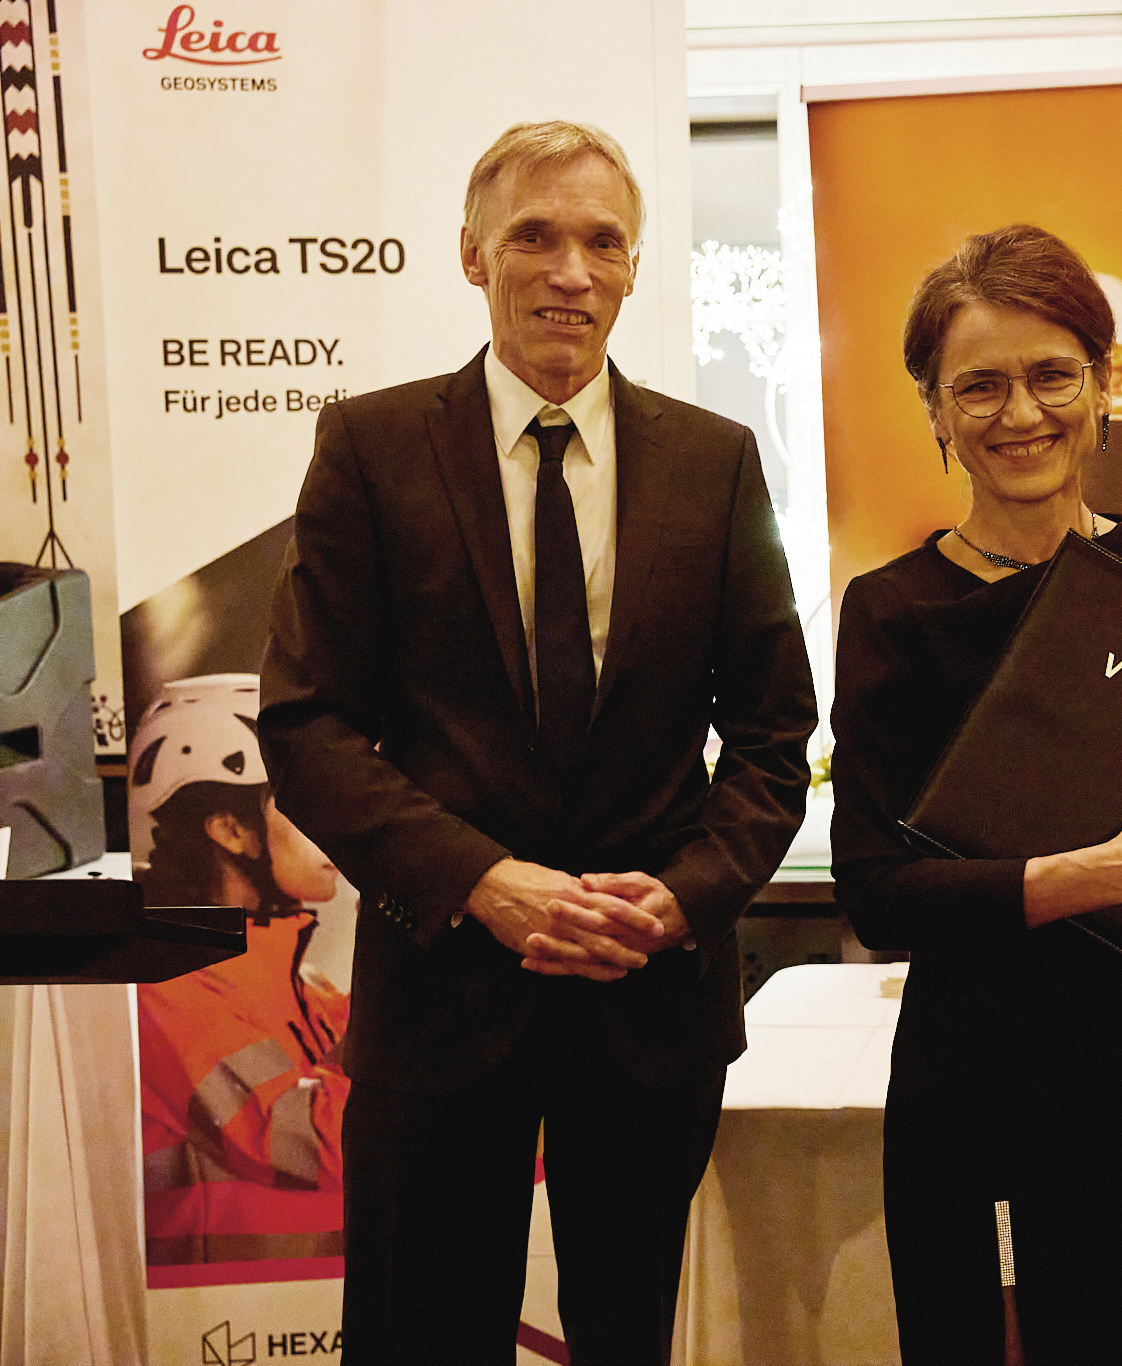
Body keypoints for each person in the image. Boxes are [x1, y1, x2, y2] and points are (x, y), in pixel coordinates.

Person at [259, 121, 815, 1365]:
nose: (571, 270)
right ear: (473, 255)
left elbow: (775, 730)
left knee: (633, 1338)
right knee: (419, 1339)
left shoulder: (715, 461)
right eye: (535, 237)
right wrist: (483, 882)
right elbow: (307, 723)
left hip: (649, 998)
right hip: (441, 993)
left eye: (602, 242)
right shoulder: (371, 449)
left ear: (633, 268)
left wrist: (683, 898)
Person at [832, 223, 1122, 1366]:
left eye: (1051, 375)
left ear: (1103, 384)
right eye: (978, 386)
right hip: (987, 1086)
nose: (1020, 413)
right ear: (934, 409)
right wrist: (1105, 873)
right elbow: (878, 891)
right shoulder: (893, 613)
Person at [133, 673, 352, 1267]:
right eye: (309, 804)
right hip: (224, 1310)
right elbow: (318, 1143)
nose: (342, 825)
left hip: (307, 1298)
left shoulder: (302, 983)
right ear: (230, 829)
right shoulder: (168, 989)